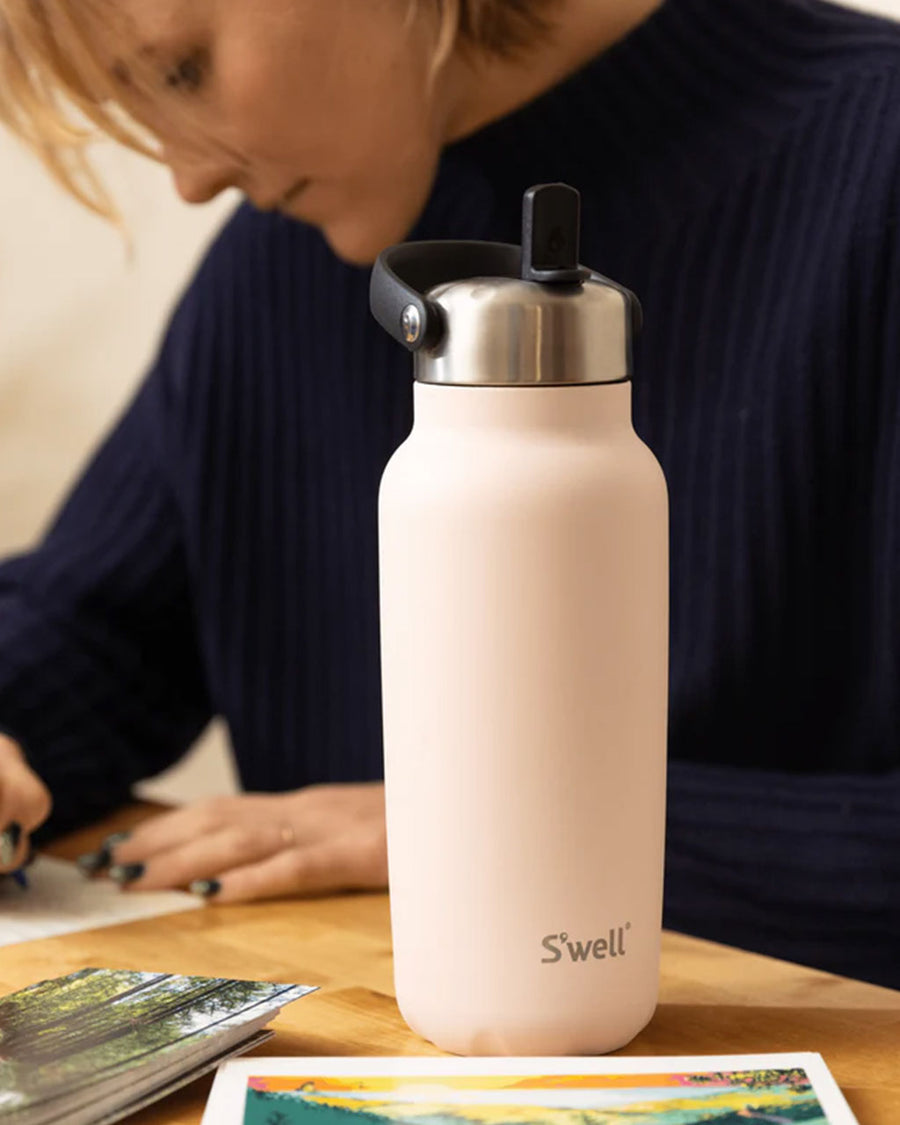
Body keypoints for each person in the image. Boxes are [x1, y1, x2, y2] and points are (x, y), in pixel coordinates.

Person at [0, 0, 899, 988]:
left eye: (180, 73)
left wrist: (494, 827)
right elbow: (91, 637)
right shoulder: (288, 260)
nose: (190, 176)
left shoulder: (875, 167)